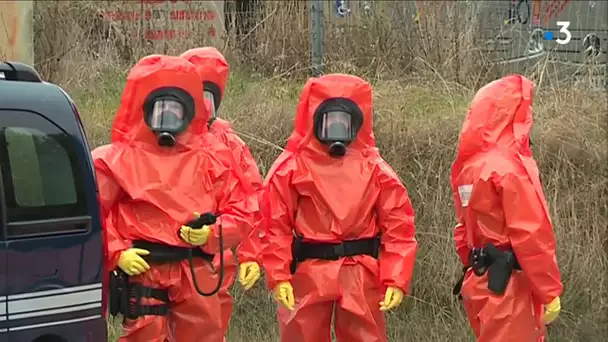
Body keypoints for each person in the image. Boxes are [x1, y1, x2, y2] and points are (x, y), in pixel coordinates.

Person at [93, 54, 255, 342]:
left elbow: (243, 209)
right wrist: (117, 253)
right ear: (145, 109)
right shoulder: (118, 159)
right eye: (160, 109)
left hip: (197, 272)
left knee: (203, 334)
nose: (167, 118)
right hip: (145, 270)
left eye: (175, 110)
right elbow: (95, 211)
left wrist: (212, 233)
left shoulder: (213, 157)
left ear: (189, 111)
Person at [261, 73, 419, 342]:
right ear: (314, 119)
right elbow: (274, 224)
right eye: (330, 120)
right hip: (309, 268)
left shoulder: (374, 169)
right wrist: (278, 275)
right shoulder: (292, 167)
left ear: (356, 122)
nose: (336, 128)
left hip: (359, 272)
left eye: (343, 121)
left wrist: (396, 277)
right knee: (301, 335)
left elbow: (399, 226)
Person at [450, 74, 563, 342]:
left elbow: (462, 230)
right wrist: (549, 291)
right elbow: (531, 234)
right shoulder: (509, 169)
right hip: (510, 286)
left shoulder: (469, 167)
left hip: (480, 282)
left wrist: (473, 264)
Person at [180, 47, 264, 336]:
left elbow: (251, 202)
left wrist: (251, 255)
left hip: (213, 264)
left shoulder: (229, 144)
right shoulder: (158, 141)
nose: (202, 109)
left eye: (207, 100)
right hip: (161, 260)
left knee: (209, 330)